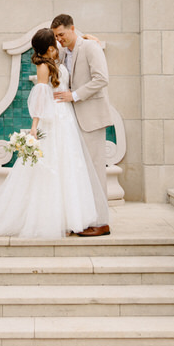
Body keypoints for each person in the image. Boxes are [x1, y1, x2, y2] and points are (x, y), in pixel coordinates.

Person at [0, 28, 109, 239]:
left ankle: (71, 218)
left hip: (67, 117)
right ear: (50, 48)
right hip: (54, 118)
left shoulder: (54, 57)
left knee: (69, 166)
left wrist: (91, 39)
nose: (59, 45)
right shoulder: (43, 66)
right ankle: (57, 218)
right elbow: (40, 97)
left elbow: (73, 44)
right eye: (56, 42)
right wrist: (34, 126)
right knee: (54, 167)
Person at [50, 13, 112, 237]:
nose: (60, 39)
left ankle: (102, 223)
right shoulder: (64, 52)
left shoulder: (90, 47)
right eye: (57, 36)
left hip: (92, 117)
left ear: (72, 28)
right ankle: (87, 218)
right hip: (75, 121)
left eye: (62, 34)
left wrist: (74, 95)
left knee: (96, 172)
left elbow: (101, 78)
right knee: (84, 173)